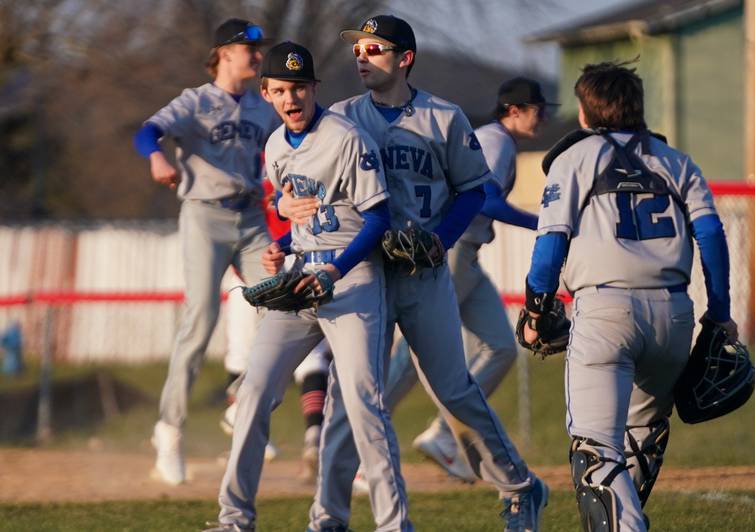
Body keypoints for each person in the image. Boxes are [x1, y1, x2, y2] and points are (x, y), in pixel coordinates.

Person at [278, 15, 548, 532]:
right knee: (347, 398)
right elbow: (300, 177)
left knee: (454, 391)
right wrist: (285, 211)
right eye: (359, 48)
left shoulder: (444, 118)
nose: (362, 56)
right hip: (363, 274)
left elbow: (473, 192)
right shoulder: (341, 116)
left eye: (374, 48)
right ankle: (329, 516)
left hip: (423, 274)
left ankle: (519, 485)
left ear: (405, 59)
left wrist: (439, 242)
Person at [519, 60, 738, 531]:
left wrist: (536, 308)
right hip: (674, 312)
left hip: (605, 311)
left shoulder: (575, 158)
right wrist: (719, 316)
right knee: (641, 438)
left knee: (596, 450)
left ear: (585, 112)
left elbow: (551, 242)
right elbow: (713, 239)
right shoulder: (677, 161)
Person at [205, 41, 410, 532]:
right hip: (299, 279)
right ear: (267, 93)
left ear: (314, 88)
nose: (290, 98)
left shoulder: (346, 138)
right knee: (253, 391)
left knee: (362, 404)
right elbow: (290, 216)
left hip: (352, 278)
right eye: (279, 90)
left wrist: (335, 270)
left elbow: (378, 218)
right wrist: (280, 249)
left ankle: (393, 525)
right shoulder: (274, 146)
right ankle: (234, 519)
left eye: (298, 87)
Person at [379, 77, 554, 483]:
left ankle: (442, 436)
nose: (543, 116)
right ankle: (358, 434)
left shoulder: (499, 141)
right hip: (450, 250)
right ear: (514, 111)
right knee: (411, 355)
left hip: (467, 256)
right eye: (537, 109)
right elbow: (486, 198)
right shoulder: (494, 141)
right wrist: (543, 223)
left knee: (499, 347)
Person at [133, 18, 281, 486]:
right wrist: (157, 156)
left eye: (259, 49)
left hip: (252, 217)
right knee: (200, 324)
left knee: (282, 312)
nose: (256, 55)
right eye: (247, 48)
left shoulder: (263, 107)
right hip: (205, 214)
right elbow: (147, 132)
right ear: (222, 53)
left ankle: (241, 402)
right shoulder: (196, 101)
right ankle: (169, 431)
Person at [221, 179, 332, 475]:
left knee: (246, 355)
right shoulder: (301, 161)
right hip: (284, 264)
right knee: (308, 357)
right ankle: (313, 436)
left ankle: (243, 425)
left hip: (275, 265)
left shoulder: (256, 162)